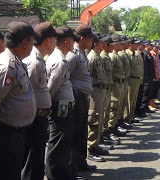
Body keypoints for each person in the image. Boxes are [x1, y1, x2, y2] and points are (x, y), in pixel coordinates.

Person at [0, 21, 36, 180]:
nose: (33, 45)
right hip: (6, 135)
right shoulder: (7, 65)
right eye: (32, 41)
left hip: (15, 135)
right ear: (25, 42)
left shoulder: (16, 62)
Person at [22, 21, 57, 180]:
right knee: (32, 160)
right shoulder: (35, 61)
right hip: (33, 118)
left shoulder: (40, 58)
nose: (56, 43)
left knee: (36, 160)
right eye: (55, 39)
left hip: (39, 116)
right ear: (48, 40)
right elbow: (25, 92)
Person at [45, 26, 77, 180]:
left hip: (62, 107)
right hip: (59, 108)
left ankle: (62, 174)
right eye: (72, 41)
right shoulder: (59, 61)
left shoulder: (60, 58)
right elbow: (51, 88)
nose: (73, 45)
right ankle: (54, 175)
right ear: (66, 42)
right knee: (57, 144)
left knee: (63, 143)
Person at [66, 24, 96, 174]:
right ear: (82, 38)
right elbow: (65, 77)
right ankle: (72, 168)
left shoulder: (82, 53)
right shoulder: (73, 54)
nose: (92, 42)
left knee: (82, 132)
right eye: (90, 39)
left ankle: (81, 162)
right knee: (75, 133)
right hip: (76, 99)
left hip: (83, 98)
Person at [87, 32, 110, 162]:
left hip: (100, 90)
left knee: (100, 118)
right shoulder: (92, 57)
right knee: (94, 119)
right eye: (102, 42)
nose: (104, 45)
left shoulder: (97, 56)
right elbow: (88, 77)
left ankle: (96, 144)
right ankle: (90, 148)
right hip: (94, 91)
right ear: (96, 44)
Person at [100, 35, 121, 145]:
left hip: (108, 87)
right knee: (104, 112)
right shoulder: (102, 57)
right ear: (105, 45)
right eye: (111, 45)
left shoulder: (107, 56)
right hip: (103, 88)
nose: (113, 47)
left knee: (108, 111)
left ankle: (106, 133)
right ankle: (103, 135)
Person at [108, 35, 127, 137]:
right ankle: (110, 130)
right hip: (114, 85)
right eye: (119, 43)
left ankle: (115, 126)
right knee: (113, 107)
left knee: (119, 107)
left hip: (120, 83)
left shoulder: (116, 56)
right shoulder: (112, 56)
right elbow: (109, 72)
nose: (122, 45)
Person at [125, 38, 142, 124]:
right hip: (131, 79)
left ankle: (131, 116)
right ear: (130, 44)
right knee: (129, 100)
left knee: (133, 100)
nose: (137, 45)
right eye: (135, 44)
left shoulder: (134, 54)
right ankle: (127, 119)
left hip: (136, 79)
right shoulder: (128, 54)